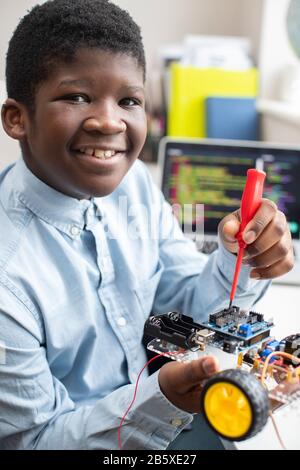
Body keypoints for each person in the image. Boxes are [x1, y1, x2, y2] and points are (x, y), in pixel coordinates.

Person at [0, 0, 293, 450]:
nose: (109, 121)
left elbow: (184, 308)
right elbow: (34, 441)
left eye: (129, 100)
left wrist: (238, 258)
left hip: (161, 409)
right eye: (77, 96)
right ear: (17, 118)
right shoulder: (8, 279)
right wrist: (161, 398)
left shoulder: (132, 183)